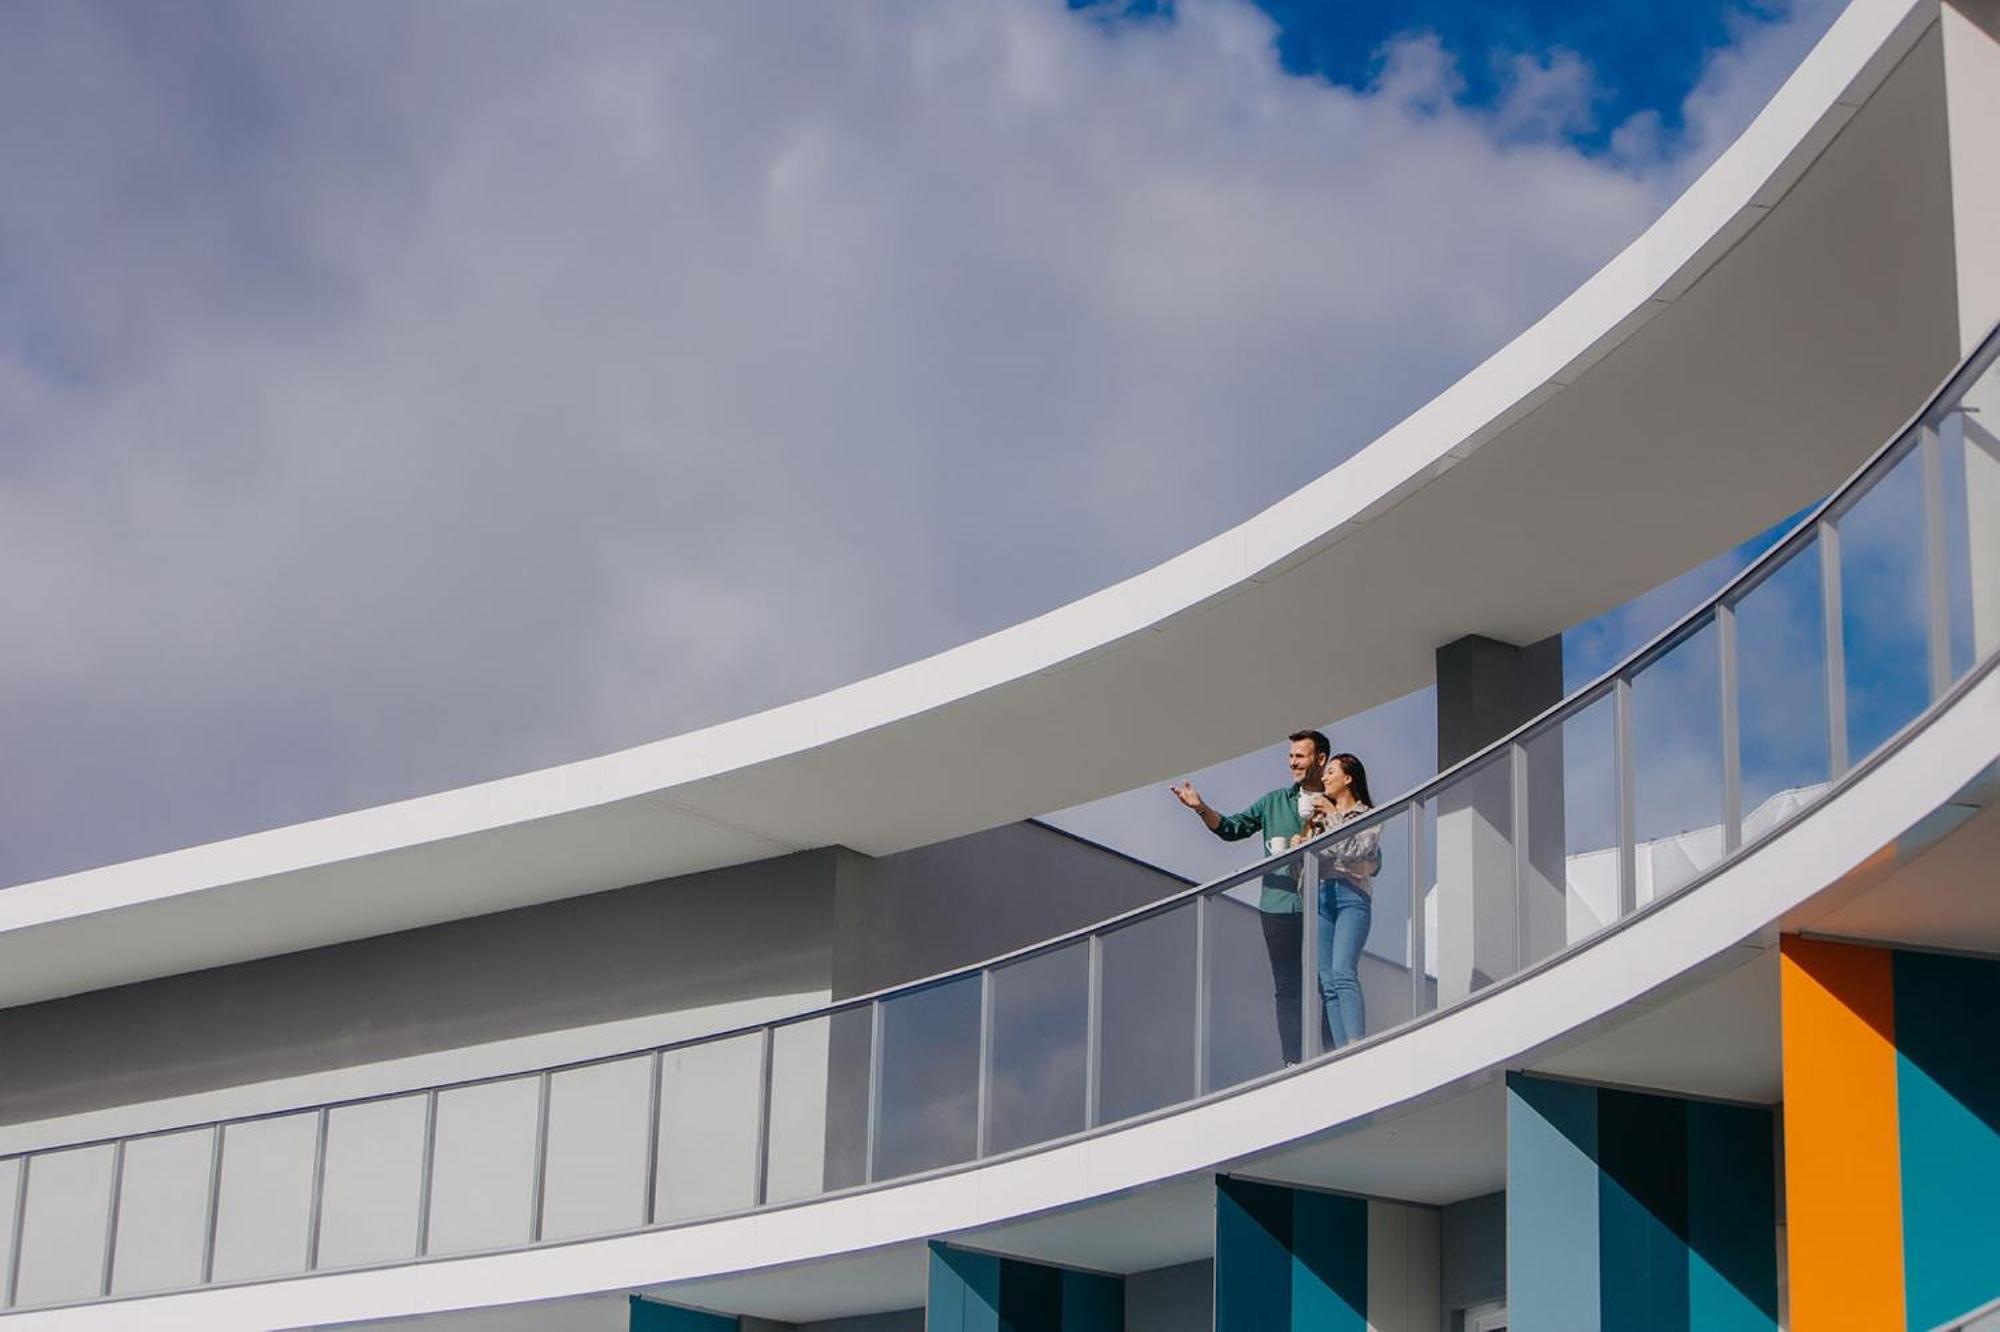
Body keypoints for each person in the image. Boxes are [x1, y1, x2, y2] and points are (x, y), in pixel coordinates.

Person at [1169, 730, 1327, 1064]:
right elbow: (1232, 828)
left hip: (1323, 905)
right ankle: (1294, 1063)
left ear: (1321, 759)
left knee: (1326, 981)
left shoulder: (1334, 799)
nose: (1293, 762)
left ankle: (1337, 1053)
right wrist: (1200, 808)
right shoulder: (1273, 802)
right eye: (1291, 756)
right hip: (1278, 906)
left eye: (1300, 755)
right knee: (1288, 986)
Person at [1301, 752, 1378, 1049]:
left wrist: (1332, 815)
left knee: (1343, 970)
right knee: (1327, 980)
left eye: (1330, 772)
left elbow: (1354, 851)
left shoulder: (1367, 815)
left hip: (1352, 897)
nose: (1324, 777)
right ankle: (1338, 1049)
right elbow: (1312, 865)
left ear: (1348, 778)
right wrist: (1304, 842)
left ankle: (1355, 1043)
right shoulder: (1321, 820)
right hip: (1322, 896)